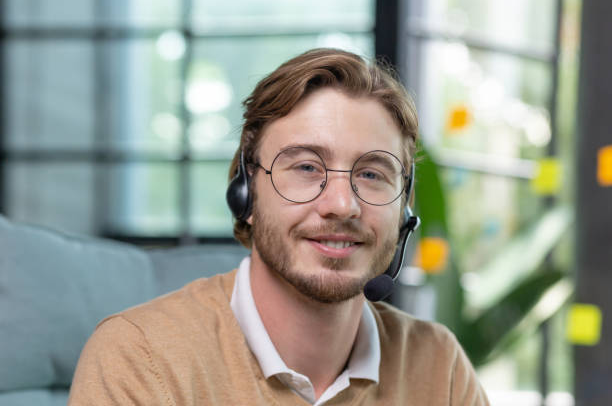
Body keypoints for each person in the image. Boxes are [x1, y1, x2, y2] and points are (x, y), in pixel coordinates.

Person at [68, 48, 489, 405]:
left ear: (403, 210)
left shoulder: (440, 368)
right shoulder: (140, 360)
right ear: (246, 193)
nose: (342, 204)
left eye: (372, 174)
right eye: (306, 167)